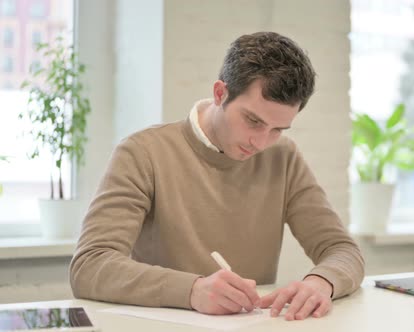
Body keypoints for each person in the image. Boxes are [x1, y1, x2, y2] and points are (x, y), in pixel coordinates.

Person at [69, 31, 365, 321]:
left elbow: (341, 250)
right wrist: (192, 290)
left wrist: (321, 282)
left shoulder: (283, 157)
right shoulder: (143, 152)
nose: (260, 143)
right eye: (253, 120)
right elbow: (91, 265)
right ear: (220, 93)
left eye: (277, 129)